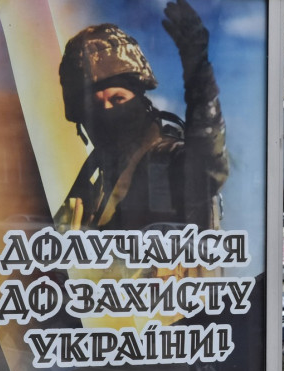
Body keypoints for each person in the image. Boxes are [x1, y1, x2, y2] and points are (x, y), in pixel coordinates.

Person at [57, 0, 227, 231]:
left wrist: (198, 73)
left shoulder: (165, 159)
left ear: (140, 98)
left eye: (118, 99)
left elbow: (207, 166)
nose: (107, 112)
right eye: (95, 106)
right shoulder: (94, 176)